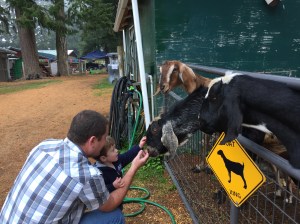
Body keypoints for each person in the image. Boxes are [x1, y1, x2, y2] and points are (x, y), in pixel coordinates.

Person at [0, 110, 149, 224]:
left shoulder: (44, 146)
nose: (105, 143)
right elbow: (109, 204)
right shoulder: (87, 173)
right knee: (114, 216)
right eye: (104, 139)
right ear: (92, 141)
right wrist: (134, 167)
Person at [93, 136, 147, 211]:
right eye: (113, 150)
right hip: (108, 202)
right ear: (103, 158)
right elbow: (101, 191)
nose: (117, 151)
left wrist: (139, 146)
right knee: (114, 212)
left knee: (119, 208)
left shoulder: (116, 160)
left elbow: (127, 156)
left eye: (115, 148)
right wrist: (113, 186)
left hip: (118, 196)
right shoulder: (98, 173)